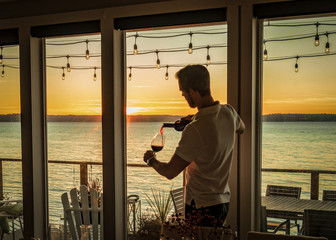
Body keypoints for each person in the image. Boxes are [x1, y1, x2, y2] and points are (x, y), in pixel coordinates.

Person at [143, 64, 245, 226]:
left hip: (200, 206)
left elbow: (170, 172)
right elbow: (241, 128)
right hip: (222, 202)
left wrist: (151, 160)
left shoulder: (195, 129)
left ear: (193, 92)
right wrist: (197, 118)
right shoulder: (229, 113)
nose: (183, 95)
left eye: (183, 92)